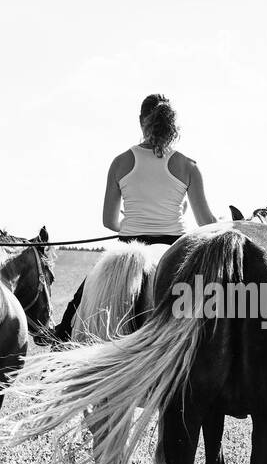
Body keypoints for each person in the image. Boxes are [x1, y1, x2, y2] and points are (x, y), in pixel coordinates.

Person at [49, 94, 217, 343]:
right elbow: (206, 222)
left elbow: (109, 220)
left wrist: (129, 224)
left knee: (86, 291)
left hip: (128, 243)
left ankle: (62, 332)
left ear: (141, 121)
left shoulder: (121, 162)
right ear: (172, 124)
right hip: (175, 249)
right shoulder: (188, 166)